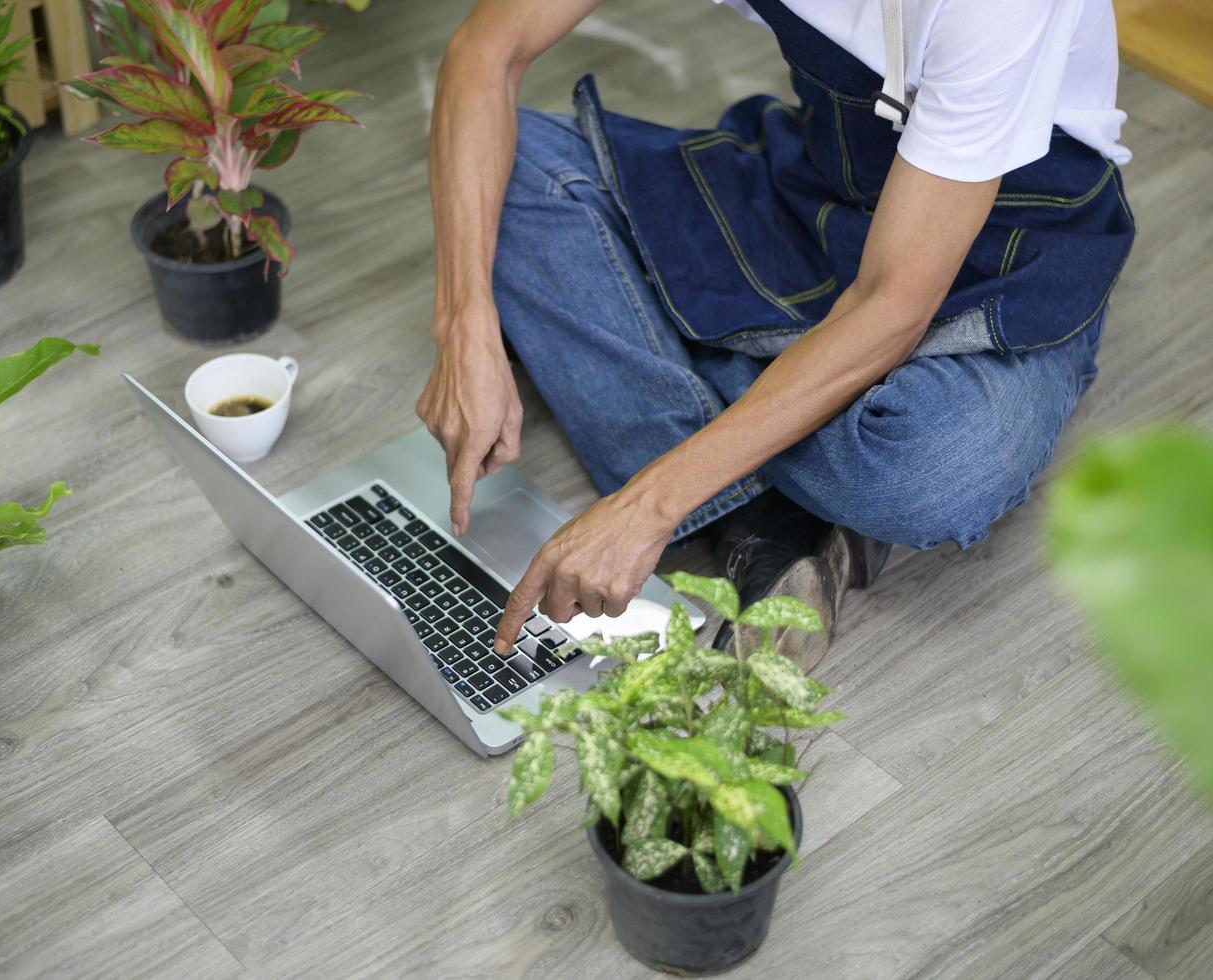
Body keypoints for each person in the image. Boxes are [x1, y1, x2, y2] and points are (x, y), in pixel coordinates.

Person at [418, 0, 1135, 668]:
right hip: (825, 198)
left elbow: (891, 304)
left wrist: (648, 504)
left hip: (1003, 254)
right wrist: (465, 325)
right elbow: (488, 46)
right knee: (504, 181)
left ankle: (718, 426)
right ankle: (770, 508)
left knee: (930, 473)